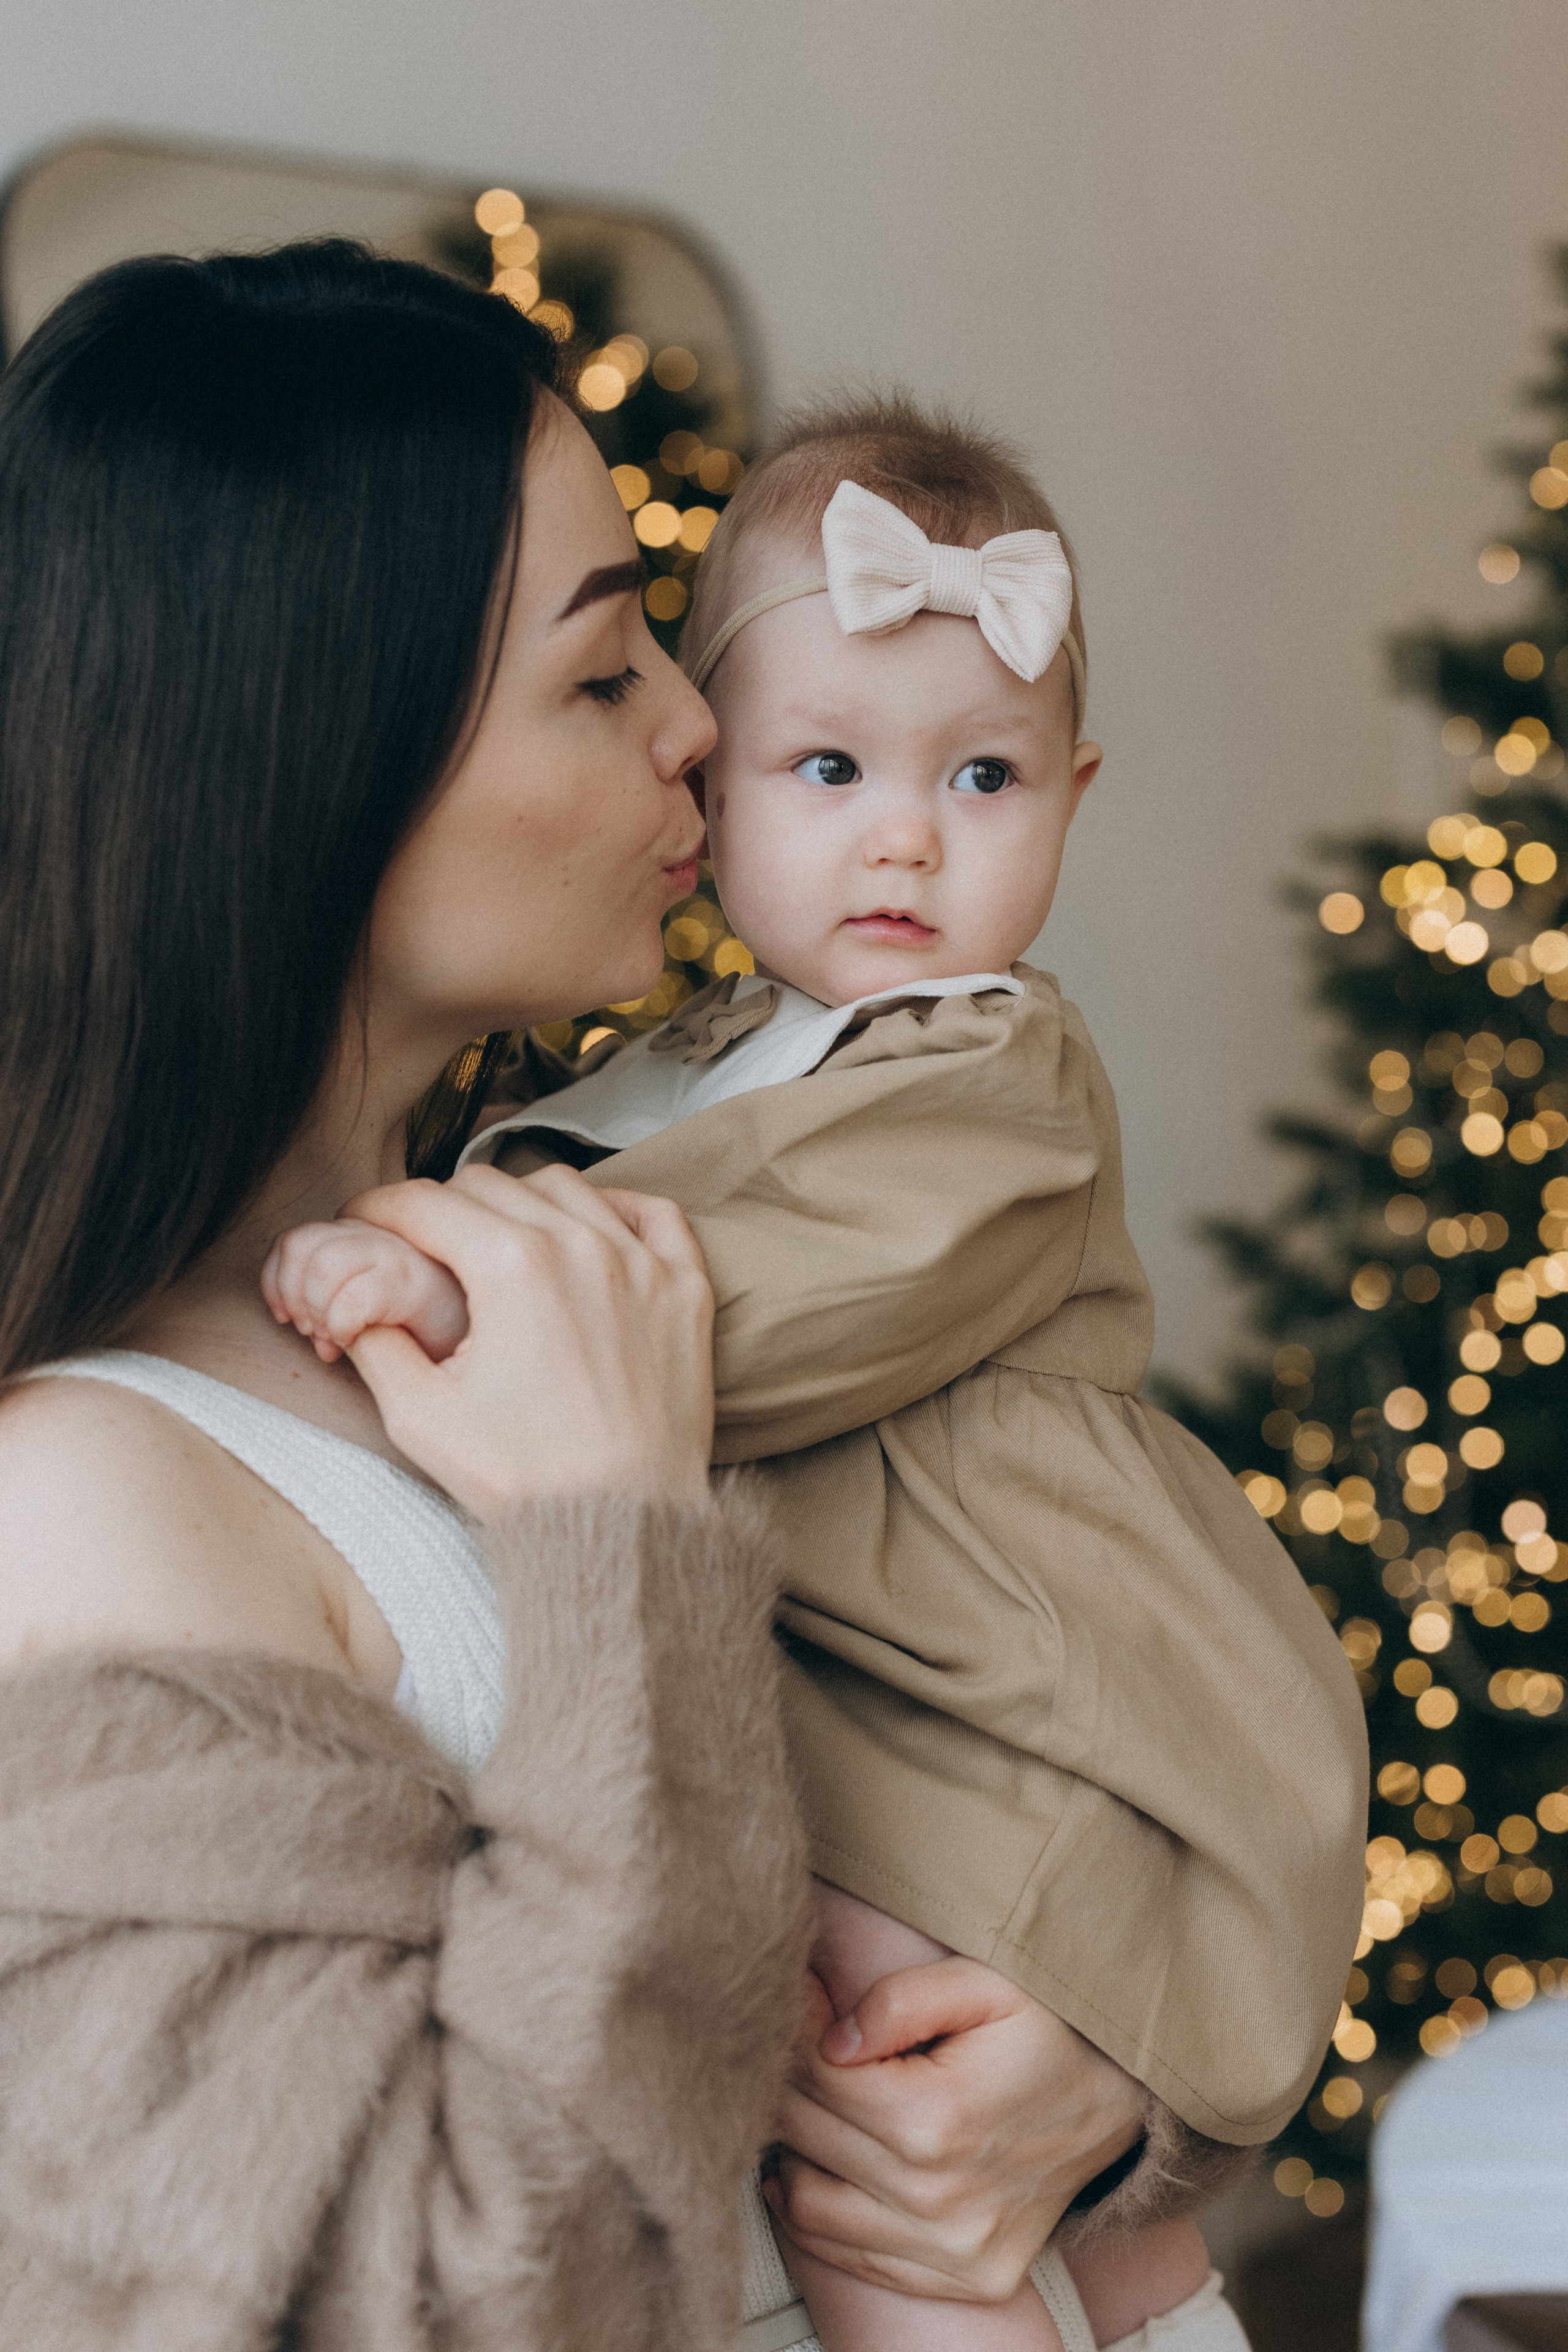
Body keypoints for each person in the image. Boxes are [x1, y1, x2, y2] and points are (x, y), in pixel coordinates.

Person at [0, 251, 1164, 2349]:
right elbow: (418, 2298)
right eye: (608, 666)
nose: (711, 731)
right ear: (315, 754)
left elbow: (1098, 1709)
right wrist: (621, 1549)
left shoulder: (570, 1255)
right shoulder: (88, 1499)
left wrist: (1082, 2085)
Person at [265, 398, 1370, 2351]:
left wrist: (452, 1279)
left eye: (985, 781)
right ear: (720, 784)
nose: (901, 838)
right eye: (834, 764)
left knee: (876, 2146)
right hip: (860, 1694)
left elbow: (782, 1286)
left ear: (1075, 799)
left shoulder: (992, 1061)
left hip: (992, 1700)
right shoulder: (683, 1058)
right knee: (1032, 2203)